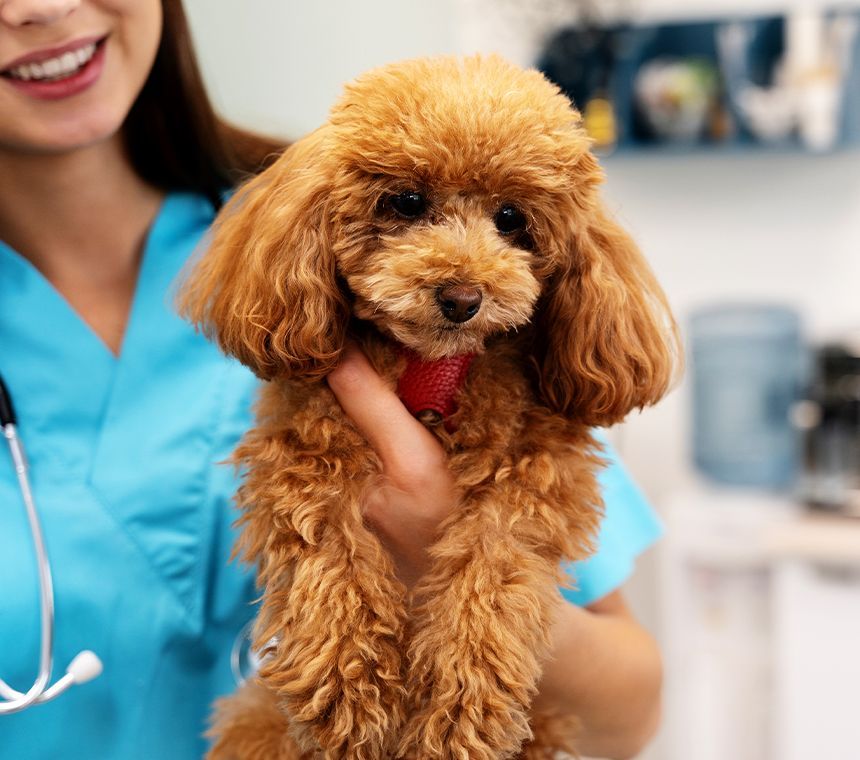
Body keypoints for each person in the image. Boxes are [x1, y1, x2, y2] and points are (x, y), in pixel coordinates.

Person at [0, 1, 663, 758]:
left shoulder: (486, 352)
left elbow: (631, 713)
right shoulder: (311, 234)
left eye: (509, 223)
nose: (40, 6)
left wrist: (461, 571)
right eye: (409, 208)